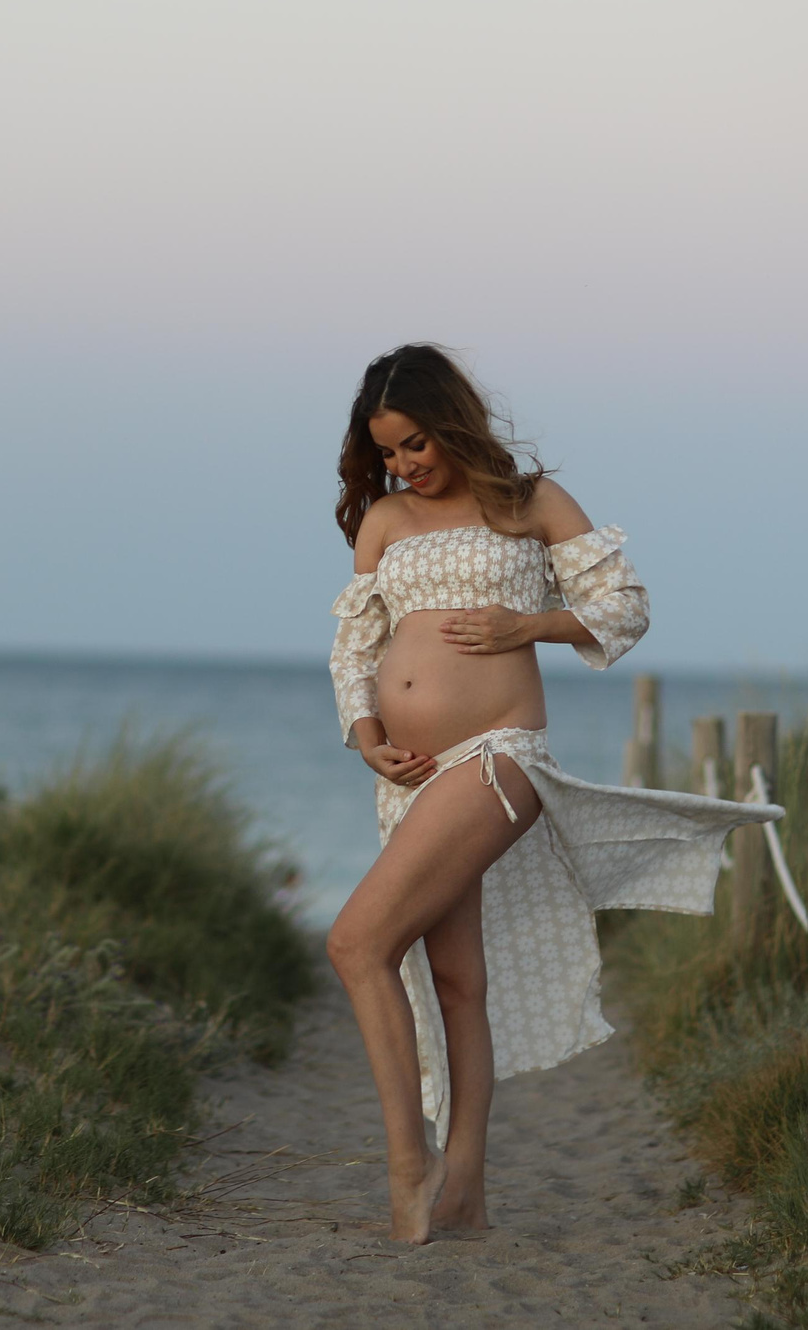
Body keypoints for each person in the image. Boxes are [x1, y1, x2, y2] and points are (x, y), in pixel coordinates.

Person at [322, 343, 778, 1242]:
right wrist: (369, 737)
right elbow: (355, 650)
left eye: (416, 442)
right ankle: (467, 1196)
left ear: (450, 421)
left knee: (355, 940)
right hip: (413, 781)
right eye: (388, 452)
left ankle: (410, 1169)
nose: (405, 464)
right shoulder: (383, 521)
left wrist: (528, 624)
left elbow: (624, 605)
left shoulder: (526, 504)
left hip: (498, 757)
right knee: (456, 980)